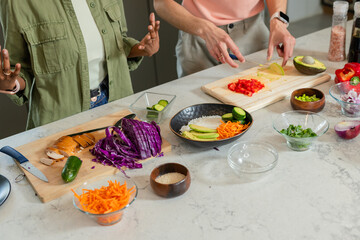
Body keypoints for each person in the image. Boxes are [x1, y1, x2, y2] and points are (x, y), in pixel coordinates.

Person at [0, 0, 160, 129]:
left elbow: (119, 41)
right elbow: (18, 68)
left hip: (117, 104)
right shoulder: (15, 3)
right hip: (61, 119)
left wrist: (141, 49)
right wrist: (11, 83)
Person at [154, 0, 295, 77]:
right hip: (199, 38)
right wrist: (205, 29)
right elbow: (161, 3)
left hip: (253, 34)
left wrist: (278, 19)